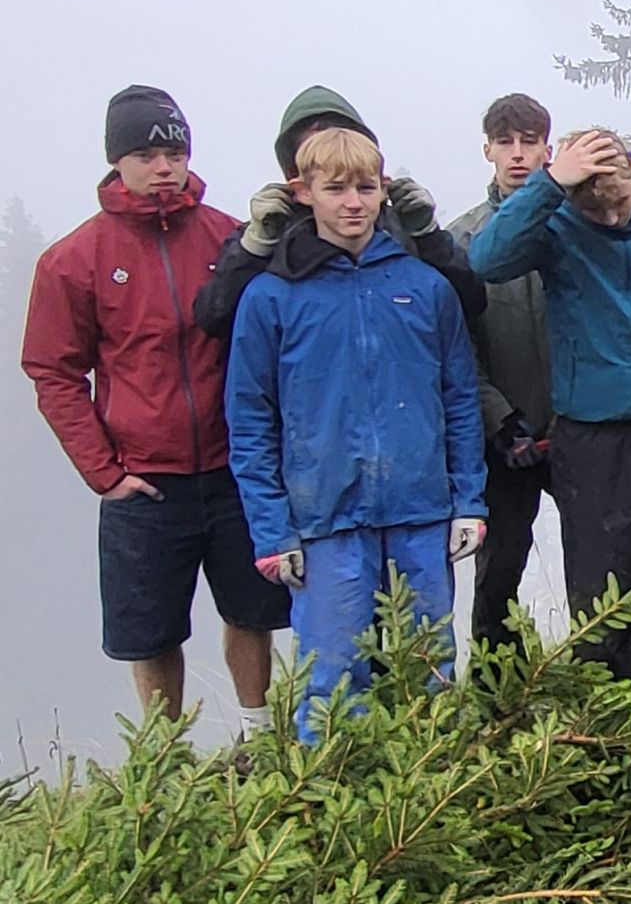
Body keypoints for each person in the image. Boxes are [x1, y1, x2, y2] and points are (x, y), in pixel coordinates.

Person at [22, 86, 289, 720]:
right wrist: (105, 473)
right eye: (146, 155)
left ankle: (257, 737)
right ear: (117, 160)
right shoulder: (73, 260)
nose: (164, 167)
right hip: (144, 482)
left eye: (175, 153)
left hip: (233, 468)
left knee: (252, 611)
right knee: (151, 632)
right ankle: (165, 755)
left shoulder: (230, 238)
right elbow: (53, 371)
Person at [224, 128, 485, 742]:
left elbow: (459, 399)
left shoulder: (426, 287)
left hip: (421, 511)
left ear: (384, 191)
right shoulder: (271, 297)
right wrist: (271, 529)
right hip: (324, 519)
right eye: (335, 188)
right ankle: (330, 790)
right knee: (334, 678)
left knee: (430, 667)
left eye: (366, 188)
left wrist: (469, 501)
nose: (352, 203)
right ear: (303, 192)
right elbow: (250, 419)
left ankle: (435, 780)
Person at [469, 128, 631, 682]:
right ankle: (607, 704)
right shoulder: (556, 225)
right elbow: (486, 260)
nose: (611, 220)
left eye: (619, 204)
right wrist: (549, 184)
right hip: (588, 433)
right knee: (599, 584)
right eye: (596, 211)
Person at [195, 86, 485, 338]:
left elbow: (470, 303)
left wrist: (427, 234)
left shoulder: (398, 228)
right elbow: (215, 320)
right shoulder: (269, 233)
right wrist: (255, 247)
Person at [447, 94, 556, 655]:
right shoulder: (461, 240)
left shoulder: (576, 225)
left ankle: (598, 679)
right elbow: (457, 349)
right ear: (487, 149)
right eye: (505, 142)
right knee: (499, 572)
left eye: (529, 142)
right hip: (502, 436)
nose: (517, 154)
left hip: (576, 426)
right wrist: (500, 420)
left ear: (547, 150)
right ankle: (497, 686)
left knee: (600, 561)